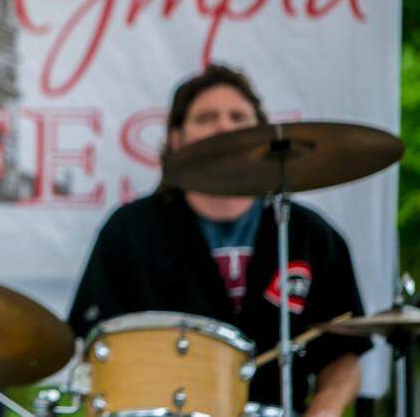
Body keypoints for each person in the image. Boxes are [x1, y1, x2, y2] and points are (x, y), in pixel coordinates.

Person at [68, 63, 371, 417]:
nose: (223, 126)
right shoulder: (129, 230)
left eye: (237, 117)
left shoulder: (308, 234)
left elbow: (344, 357)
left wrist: (322, 412)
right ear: (176, 138)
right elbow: (96, 349)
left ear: (263, 136)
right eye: (206, 117)